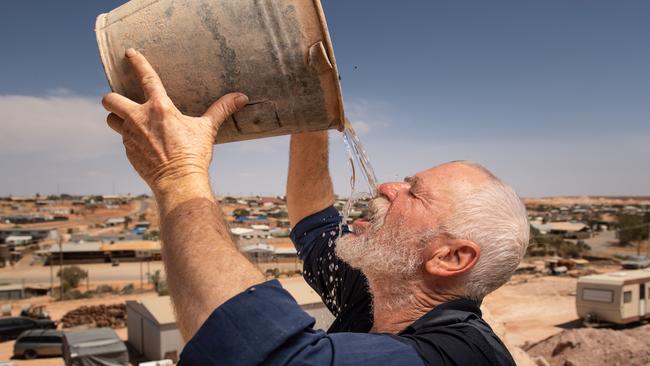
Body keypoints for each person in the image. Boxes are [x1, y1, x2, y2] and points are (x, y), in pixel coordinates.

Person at [102, 49, 529, 366]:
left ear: (450, 257)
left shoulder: (461, 355)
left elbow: (261, 358)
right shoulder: (375, 296)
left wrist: (178, 174)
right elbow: (314, 222)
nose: (387, 186)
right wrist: (310, 112)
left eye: (413, 192)